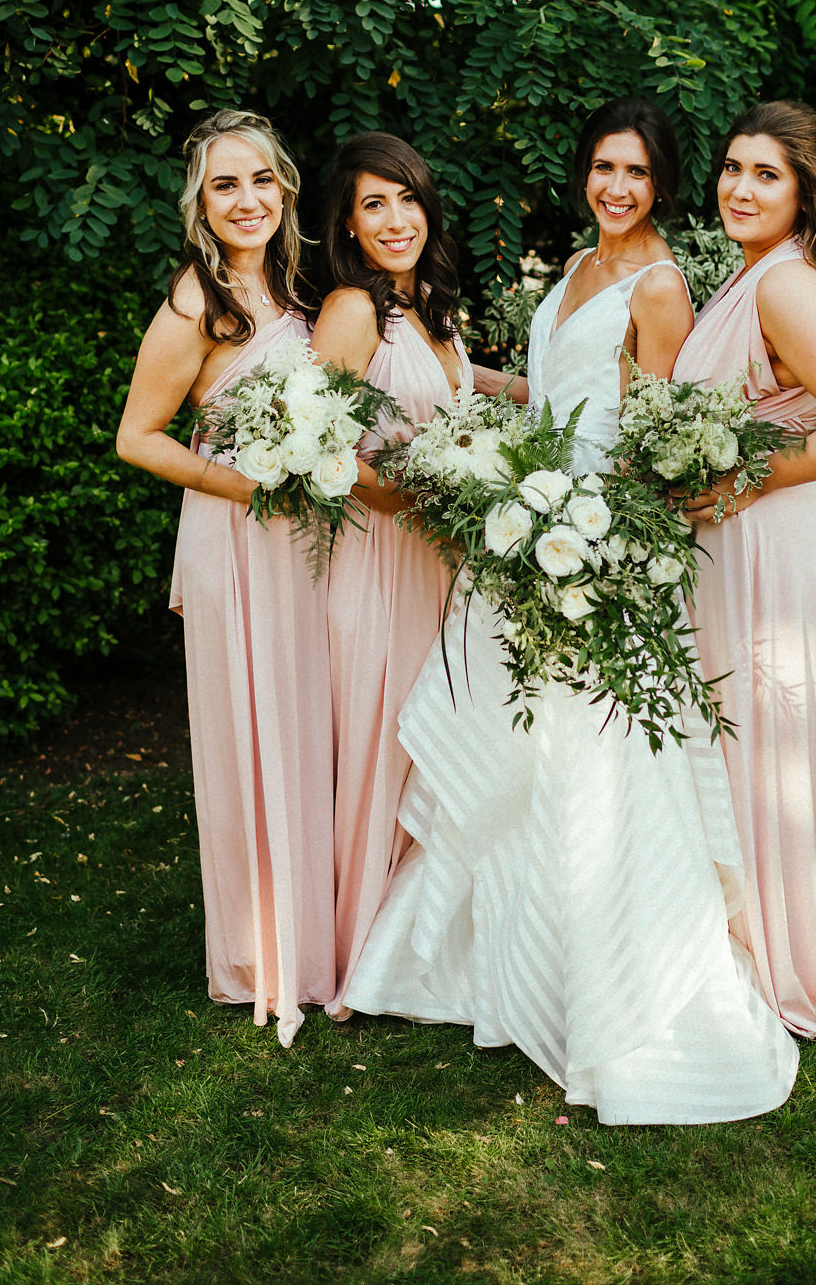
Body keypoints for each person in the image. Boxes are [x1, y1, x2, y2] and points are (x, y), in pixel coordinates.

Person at [343, 97, 800, 1124]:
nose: (615, 188)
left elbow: (650, 432)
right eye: (601, 167)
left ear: (662, 184)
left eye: (635, 173)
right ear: (584, 173)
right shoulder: (575, 266)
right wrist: (471, 405)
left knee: (595, 768)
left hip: (592, 550)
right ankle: (495, 962)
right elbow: (557, 388)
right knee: (518, 760)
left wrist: (590, 529)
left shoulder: (659, 283)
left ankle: (606, 987)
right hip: (528, 531)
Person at [673, 99, 816, 1039]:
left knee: (762, 747)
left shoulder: (784, 286)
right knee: (750, 749)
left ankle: (774, 962)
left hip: (771, 541)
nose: (740, 187)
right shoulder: (754, 277)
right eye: (732, 168)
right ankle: (775, 944)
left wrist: (736, 481)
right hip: (748, 537)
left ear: (806, 193)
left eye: (766, 174)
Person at [116, 108, 335, 1046]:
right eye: (224, 185)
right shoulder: (195, 302)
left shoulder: (309, 289)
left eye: (259, 181)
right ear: (200, 205)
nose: (246, 200)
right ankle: (258, 950)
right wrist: (242, 485)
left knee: (312, 724)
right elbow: (137, 437)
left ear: (284, 188)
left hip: (309, 542)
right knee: (249, 733)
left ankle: (323, 931)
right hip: (236, 536)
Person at [309, 134, 471, 1020]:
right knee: (377, 738)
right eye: (373, 204)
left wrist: (535, 392)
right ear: (346, 221)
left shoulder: (429, 309)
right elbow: (315, 448)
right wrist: (412, 505)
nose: (394, 219)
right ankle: (356, 942)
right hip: (378, 557)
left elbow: (452, 392)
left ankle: (415, 933)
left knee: (423, 738)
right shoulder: (351, 310)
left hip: (437, 566)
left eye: (405, 198)